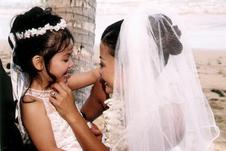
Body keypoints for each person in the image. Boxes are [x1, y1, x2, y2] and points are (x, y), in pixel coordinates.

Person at [50, 8, 220, 151]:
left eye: (102, 64)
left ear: (128, 65)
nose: (99, 72)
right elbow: (84, 124)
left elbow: (78, 120)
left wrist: (73, 116)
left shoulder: (169, 116)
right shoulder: (104, 90)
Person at [8, 7, 108, 151]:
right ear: (39, 63)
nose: (71, 64)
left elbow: (93, 75)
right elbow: (49, 149)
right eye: (66, 59)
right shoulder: (32, 104)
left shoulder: (61, 85)